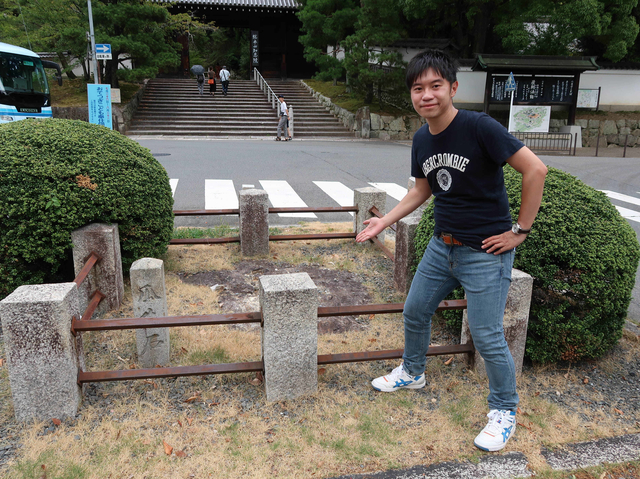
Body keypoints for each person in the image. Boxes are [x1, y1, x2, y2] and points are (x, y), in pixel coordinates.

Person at [355, 49, 547, 452]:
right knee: (414, 310)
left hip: (485, 253)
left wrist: (520, 231)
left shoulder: (481, 127)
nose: (427, 95)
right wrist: (383, 221)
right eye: (418, 88)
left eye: (435, 86)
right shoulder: (422, 137)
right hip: (442, 246)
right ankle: (413, 372)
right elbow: (422, 189)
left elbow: (536, 169)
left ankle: (504, 409)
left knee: (487, 334)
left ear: (452, 88)